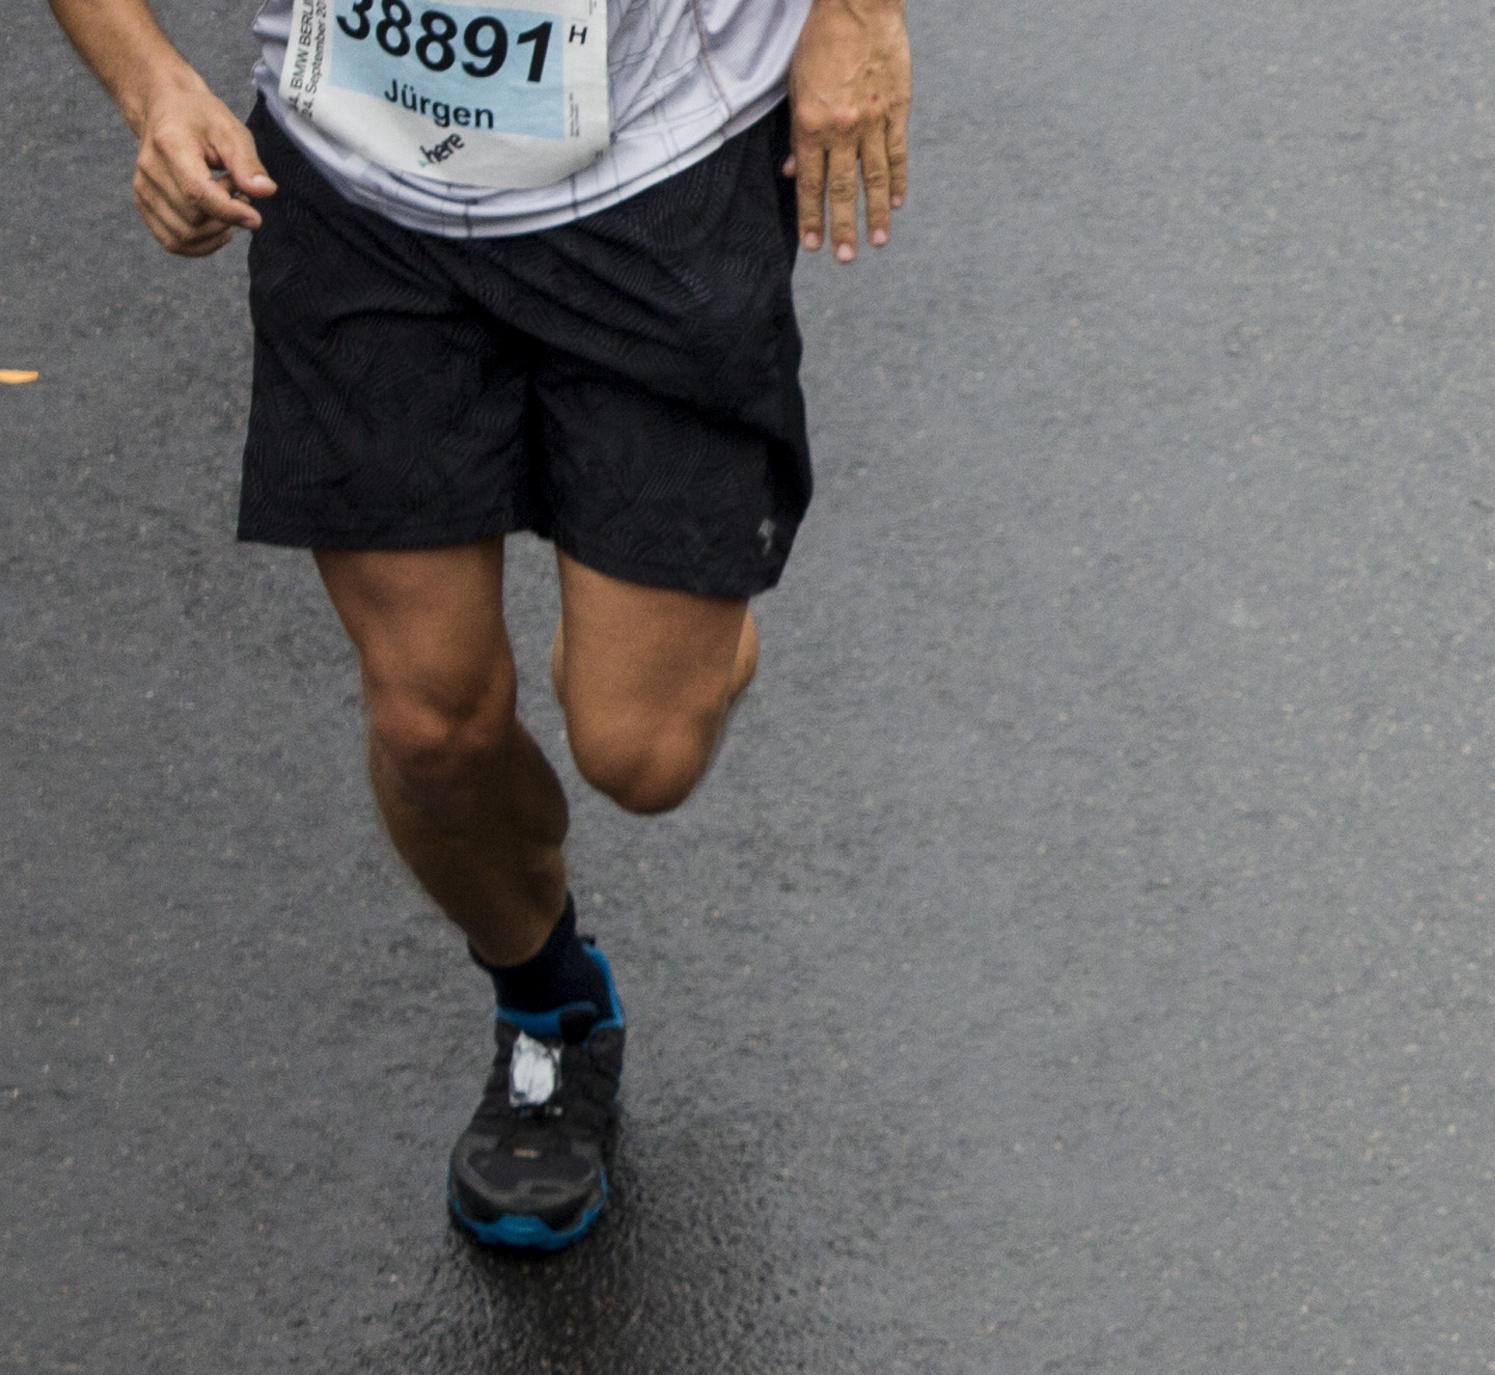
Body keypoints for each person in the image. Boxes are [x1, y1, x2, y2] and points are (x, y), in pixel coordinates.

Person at [48, 0, 913, 1250]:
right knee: (430, 725)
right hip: (355, 184)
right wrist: (153, 90)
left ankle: (664, 625)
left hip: (655, 160)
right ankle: (548, 1010)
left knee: (640, 751)